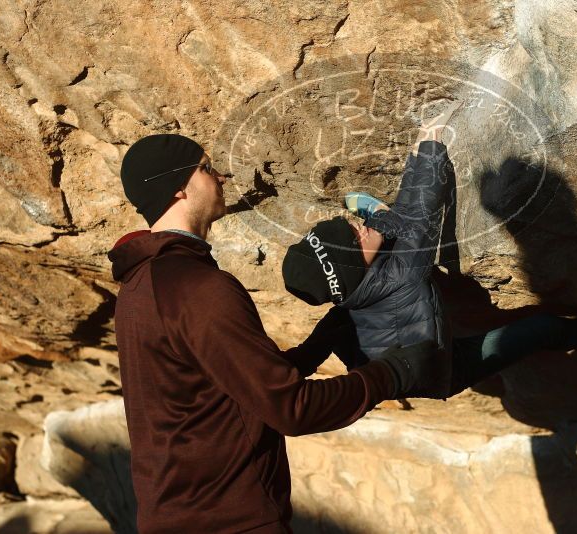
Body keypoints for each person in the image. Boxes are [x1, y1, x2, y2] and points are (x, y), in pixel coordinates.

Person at [108, 133, 449, 534]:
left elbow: (220, 385)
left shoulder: (139, 288)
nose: (221, 176)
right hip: (234, 523)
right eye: (205, 167)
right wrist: (392, 374)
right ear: (178, 188)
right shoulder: (200, 288)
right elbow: (293, 409)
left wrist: (312, 351)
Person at [282, 102, 577, 396]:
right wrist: (428, 139)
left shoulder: (343, 301)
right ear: (349, 271)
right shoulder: (403, 272)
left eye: (349, 224)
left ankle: (383, 219)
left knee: (342, 317)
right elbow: (421, 211)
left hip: (390, 341)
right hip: (443, 369)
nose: (354, 226)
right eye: (355, 236)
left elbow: (311, 351)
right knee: (541, 329)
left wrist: (289, 369)